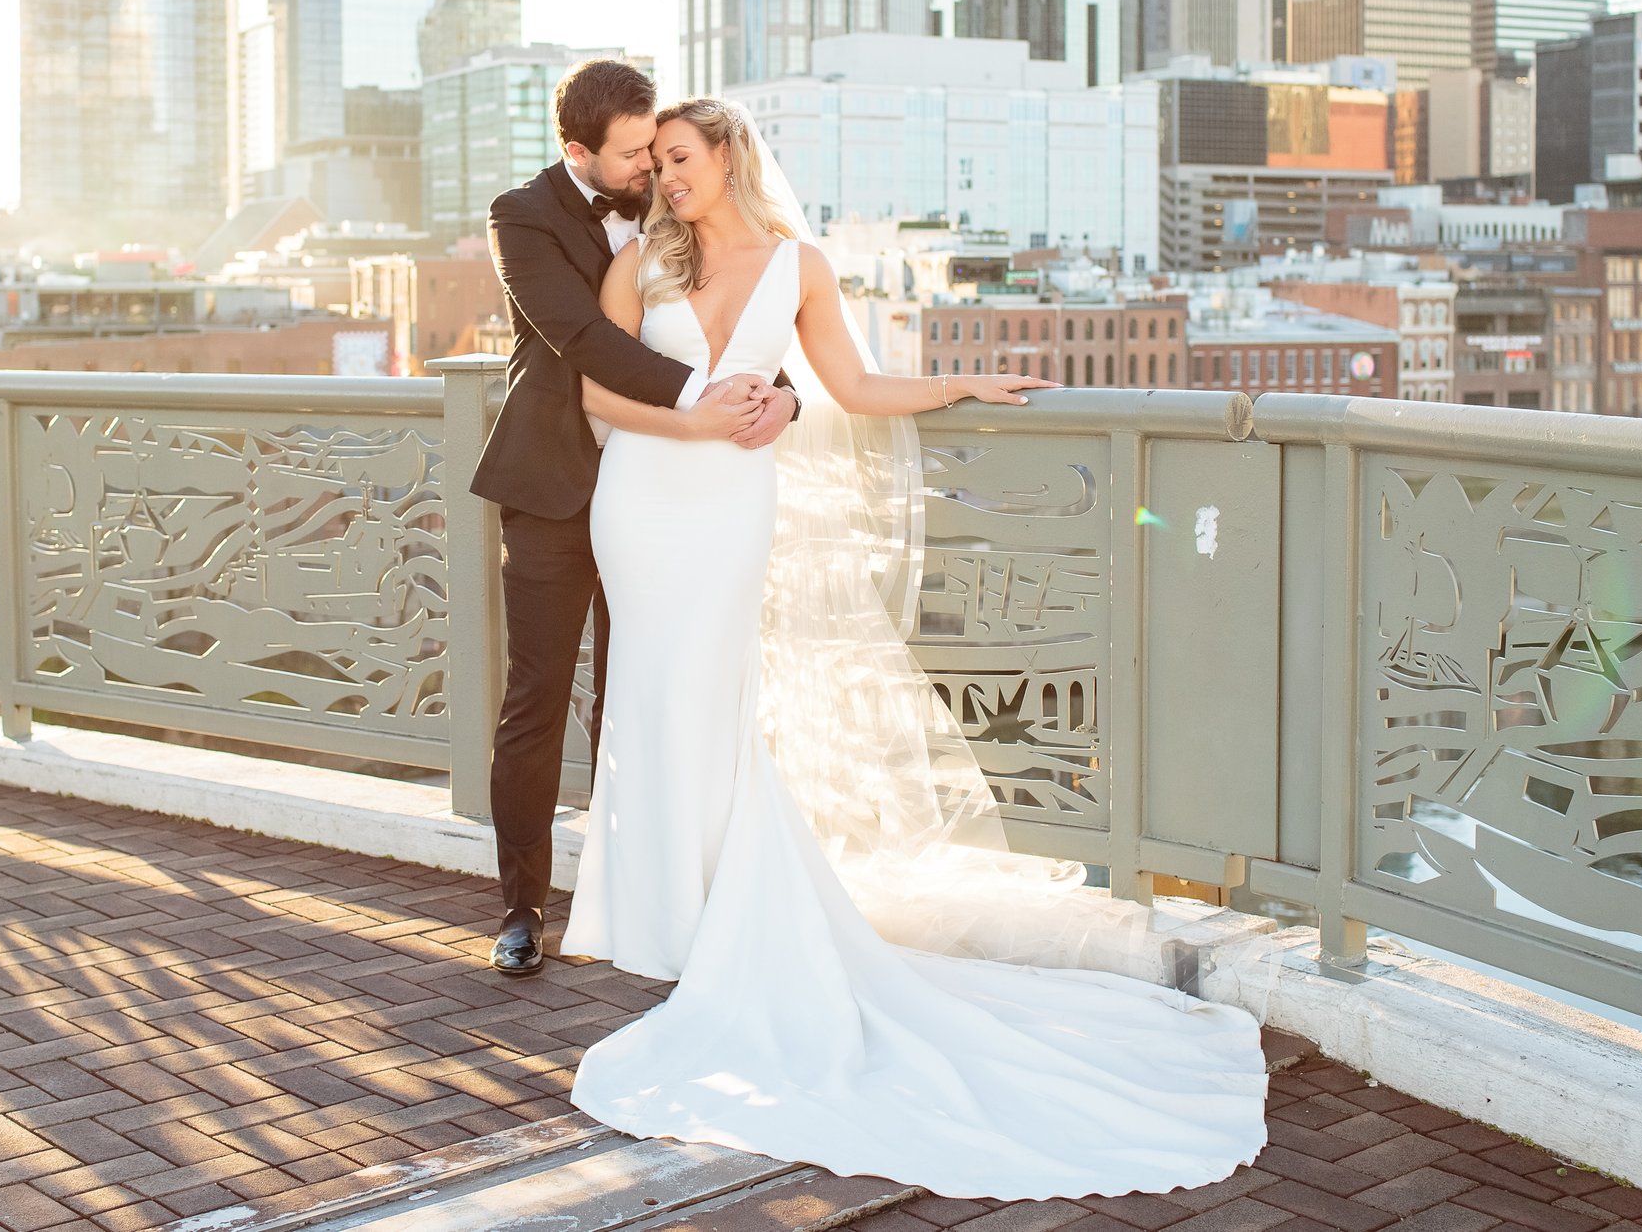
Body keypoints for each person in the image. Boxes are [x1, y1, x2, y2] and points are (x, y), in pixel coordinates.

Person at [558, 95, 1271, 1201]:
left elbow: (850, 387)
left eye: (682, 161)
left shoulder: (799, 265)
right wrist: (693, 414)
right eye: (656, 166)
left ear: (731, 157)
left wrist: (963, 382)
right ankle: (653, 911)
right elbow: (597, 387)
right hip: (641, 494)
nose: (665, 181)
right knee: (649, 693)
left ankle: (708, 912)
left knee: (708, 693)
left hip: (727, 509)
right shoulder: (638, 264)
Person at [469, 59, 799, 977]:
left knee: (644, 698)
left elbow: (740, 319)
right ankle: (524, 906)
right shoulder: (520, 216)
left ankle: (647, 900)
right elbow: (587, 341)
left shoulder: (665, 216)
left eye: (658, 150)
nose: (652, 170)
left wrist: (786, 399)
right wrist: (704, 401)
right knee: (536, 702)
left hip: (670, 495)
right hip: (557, 488)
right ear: (578, 150)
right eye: (631, 158)